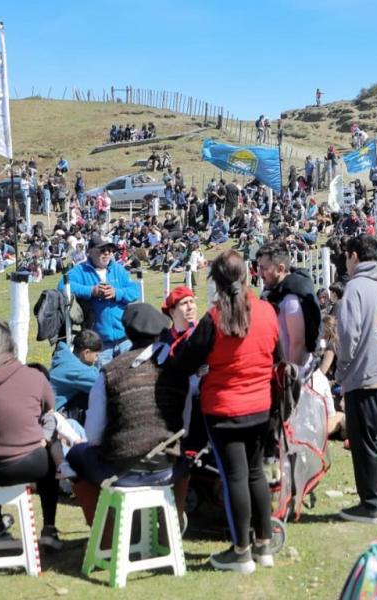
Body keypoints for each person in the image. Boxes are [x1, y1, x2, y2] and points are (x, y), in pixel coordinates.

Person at [174, 250, 279, 573]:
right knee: (255, 473)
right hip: (261, 406)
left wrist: (206, 364)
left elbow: (184, 361)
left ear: (216, 282)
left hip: (223, 408)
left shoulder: (213, 318)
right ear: (247, 275)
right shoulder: (265, 311)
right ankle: (263, 545)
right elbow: (280, 354)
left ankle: (241, 550)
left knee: (235, 476)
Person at [66, 304, 188, 535]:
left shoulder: (109, 372)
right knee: (186, 460)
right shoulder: (178, 370)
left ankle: (106, 536)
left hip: (121, 470)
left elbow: (92, 436)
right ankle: (172, 526)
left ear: (127, 334)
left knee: (74, 456)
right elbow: (186, 425)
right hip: (168, 468)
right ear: (158, 332)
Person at [335, 235, 377, 525]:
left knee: (364, 445)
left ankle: (370, 505)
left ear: (354, 256)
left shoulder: (355, 288)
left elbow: (348, 337)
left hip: (364, 378)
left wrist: (342, 369)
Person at [0, 318, 63, 549]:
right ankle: (49, 527)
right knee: (51, 451)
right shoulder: (34, 376)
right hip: (30, 463)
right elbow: (50, 410)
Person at [59, 233, 140, 366]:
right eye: (102, 250)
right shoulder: (80, 270)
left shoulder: (118, 269)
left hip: (125, 339)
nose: (107, 253)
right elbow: (63, 286)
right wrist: (92, 291)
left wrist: (116, 293)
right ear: (90, 251)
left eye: (110, 250)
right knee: (103, 382)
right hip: (99, 345)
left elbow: (134, 291)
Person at [258, 241, 321, 375]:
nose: (259, 273)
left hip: (297, 378)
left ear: (280, 269)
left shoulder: (291, 299)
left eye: (264, 268)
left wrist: (290, 380)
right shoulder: (272, 293)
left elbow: (297, 343)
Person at [49, 329, 102, 422]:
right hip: (53, 414)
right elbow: (101, 383)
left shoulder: (67, 359)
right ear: (86, 353)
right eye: (96, 355)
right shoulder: (75, 370)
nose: (96, 360)